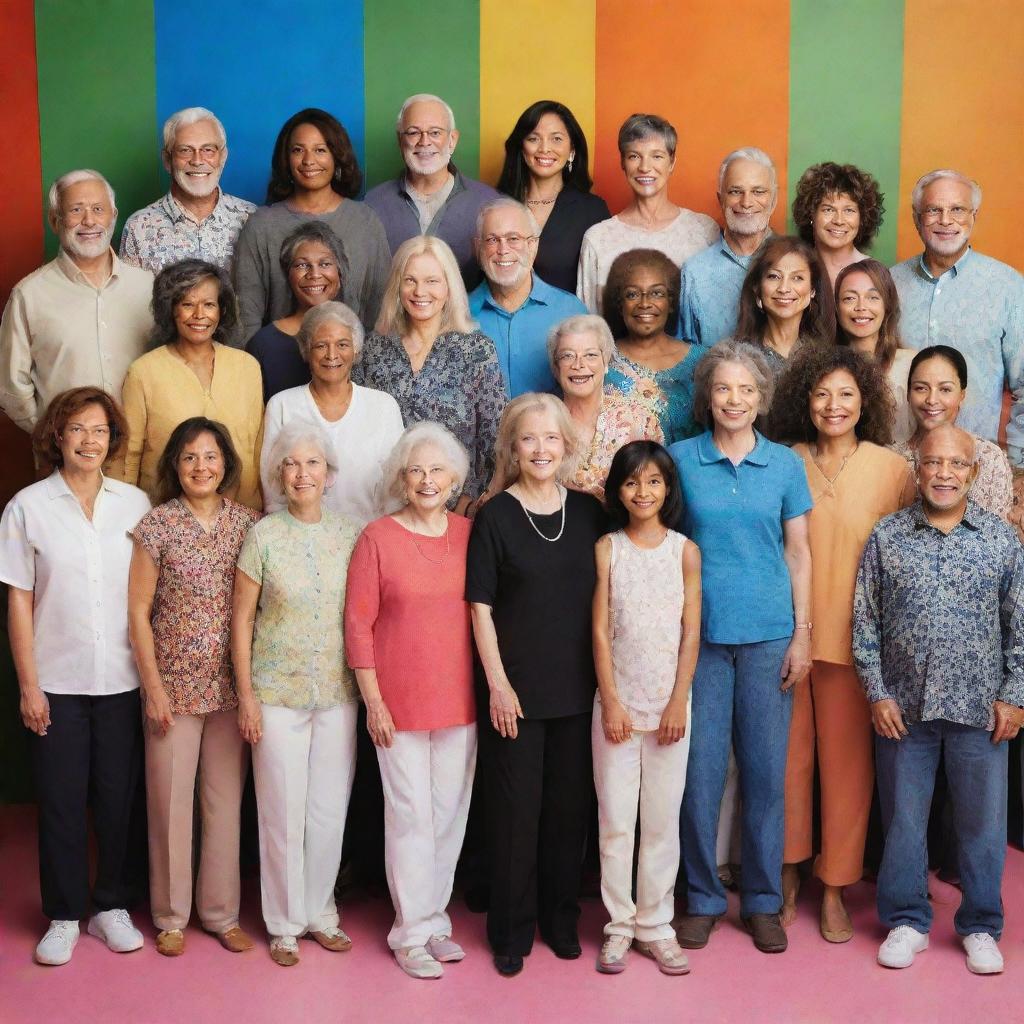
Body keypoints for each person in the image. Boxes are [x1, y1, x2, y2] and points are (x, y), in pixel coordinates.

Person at [854, 424, 1024, 976]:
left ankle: (980, 925)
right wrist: (876, 692)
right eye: (933, 463)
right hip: (903, 711)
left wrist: (1015, 695)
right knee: (903, 820)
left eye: (956, 465)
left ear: (973, 474)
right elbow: (864, 622)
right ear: (917, 469)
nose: (944, 474)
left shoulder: (1001, 539)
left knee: (981, 823)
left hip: (981, 711)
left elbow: (1020, 625)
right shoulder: (887, 537)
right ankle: (907, 919)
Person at [670, 341, 812, 955]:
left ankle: (761, 902)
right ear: (708, 397)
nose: (734, 400)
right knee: (698, 775)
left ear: (762, 399)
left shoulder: (783, 466)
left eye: (746, 390)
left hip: (768, 638)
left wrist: (802, 633)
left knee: (763, 775)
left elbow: (799, 553)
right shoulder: (679, 460)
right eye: (723, 389)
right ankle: (700, 898)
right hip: (697, 641)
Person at [0, 387, 151, 965]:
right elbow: (18, 601)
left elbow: (150, 595)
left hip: (122, 676)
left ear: (113, 441)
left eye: (101, 430)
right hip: (56, 679)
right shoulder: (27, 507)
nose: (90, 440)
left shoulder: (135, 504)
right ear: (57, 437)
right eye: (78, 429)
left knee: (118, 797)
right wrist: (28, 684)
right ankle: (64, 914)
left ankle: (110, 905)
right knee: (62, 800)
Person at [769, 346, 914, 942]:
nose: (833, 405)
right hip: (785, 640)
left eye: (847, 395)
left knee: (848, 773)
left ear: (866, 403)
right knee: (785, 766)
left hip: (859, 649)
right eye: (822, 394)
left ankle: (835, 885)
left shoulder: (892, 469)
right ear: (805, 399)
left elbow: (906, 558)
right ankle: (786, 874)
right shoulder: (781, 461)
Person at [467, 393, 607, 976]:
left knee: (568, 814)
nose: (541, 449)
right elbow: (479, 607)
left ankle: (559, 920)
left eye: (552, 439)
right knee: (516, 815)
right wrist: (498, 685)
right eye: (529, 439)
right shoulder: (495, 515)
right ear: (513, 448)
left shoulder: (591, 513)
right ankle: (511, 929)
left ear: (567, 446)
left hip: (578, 691)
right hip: (515, 696)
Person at [345, 423, 476, 980]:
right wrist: (372, 701)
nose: (427, 480)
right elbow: (357, 625)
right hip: (396, 702)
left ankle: (434, 919)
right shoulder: (377, 537)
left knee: (449, 814)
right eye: (416, 470)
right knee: (409, 816)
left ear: (455, 478)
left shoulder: (472, 534)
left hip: (460, 698)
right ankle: (410, 932)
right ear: (402, 477)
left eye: (437, 470)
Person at [127, 417, 259, 957]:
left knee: (224, 805)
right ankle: (170, 915)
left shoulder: (250, 525)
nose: (201, 467)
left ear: (226, 462)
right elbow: (137, 612)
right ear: (174, 467)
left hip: (231, 690)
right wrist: (153, 688)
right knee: (169, 803)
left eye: (210, 456)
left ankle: (221, 913)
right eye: (188, 458)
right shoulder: (155, 527)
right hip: (172, 689)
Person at [232, 422, 361, 967]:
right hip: (275, 692)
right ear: (279, 476)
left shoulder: (353, 535)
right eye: (291, 465)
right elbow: (240, 623)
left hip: (338, 691)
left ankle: (321, 913)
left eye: (313, 464)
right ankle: (283, 924)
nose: (302, 474)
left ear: (329, 476)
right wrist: (246, 697)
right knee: (281, 810)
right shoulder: (263, 535)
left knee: (329, 810)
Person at [592, 440, 700, 976]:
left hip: (669, 709)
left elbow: (691, 631)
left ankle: (656, 924)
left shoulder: (684, 550)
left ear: (667, 489)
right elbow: (599, 629)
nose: (643, 491)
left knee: (661, 822)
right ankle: (619, 925)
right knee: (616, 821)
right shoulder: (608, 547)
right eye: (632, 481)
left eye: (653, 481)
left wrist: (678, 699)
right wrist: (610, 700)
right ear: (618, 489)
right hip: (617, 706)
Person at [356, 236, 506, 510]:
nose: (419, 291)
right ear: (397, 287)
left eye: (432, 281)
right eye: (410, 280)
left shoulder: (477, 349)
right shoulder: (373, 348)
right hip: (382, 507)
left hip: (455, 510)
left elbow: (494, 437)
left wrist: (470, 503)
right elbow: (357, 429)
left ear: (449, 288)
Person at [890, 170, 1024, 467]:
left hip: (979, 466)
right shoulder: (889, 284)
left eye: (957, 210)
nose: (945, 220)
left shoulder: (1008, 287)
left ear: (973, 216)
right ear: (916, 218)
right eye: (933, 210)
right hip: (899, 465)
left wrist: (1019, 467)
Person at [0, 170, 153, 431]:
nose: (89, 221)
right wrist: (50, 436)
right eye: (76, 210)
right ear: (55, 220)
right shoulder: (29, 295)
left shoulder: (147, 286)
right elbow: (11, 385)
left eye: (98, 209)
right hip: (65, 457)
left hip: (138, 452)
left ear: (113, 217)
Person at [116, 260, 263, 510]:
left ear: (222, 309)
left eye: (209, 305)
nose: (199, 315)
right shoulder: (143, 372)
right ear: (170, 310)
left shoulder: (247, 367)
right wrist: (123, 517)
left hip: (241, 516)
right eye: (187, 304)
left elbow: (258, 447)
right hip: (166, 520)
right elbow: (127, 458)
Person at [234, 108, 390, 338]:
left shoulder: (365, 221)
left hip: (353, 366)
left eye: (320, 150)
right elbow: (246, 317)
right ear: (286, 159)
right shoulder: (261, 226)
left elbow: (381, 309)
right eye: (298, 150)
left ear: (337, 156)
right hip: (278, 366)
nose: (309, 160)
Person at [261, 302, 404, 524]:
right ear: (306, 350)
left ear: (356, 349)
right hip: (300, 541)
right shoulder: (282, 405)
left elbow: (397, 488)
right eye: (321, 345)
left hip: (369, 539)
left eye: (342, 344)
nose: (332, 354)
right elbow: (272, 490)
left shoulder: (384, 407)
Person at [577, 114, 718, 314]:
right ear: (623, 163)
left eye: (657, 156)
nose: (645, 167)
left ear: (672, 162)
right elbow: (589, 324)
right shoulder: (598, 239)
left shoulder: (704, 230)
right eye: (634, 156)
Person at [365, 94, 498, 292]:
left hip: (468, 322)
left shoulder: (490, 203)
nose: (424, 142)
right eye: (413, 133)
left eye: (435, 132)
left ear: (452, 140)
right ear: (400, 141)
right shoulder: (373, 203)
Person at [469, 198, 586, 396]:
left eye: (513, 238)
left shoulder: (570, 311)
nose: (503, 250)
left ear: (533, 246)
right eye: (492, 240)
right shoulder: (458, 313)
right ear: (478, 248)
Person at [119, 107, 256, 276]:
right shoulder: (139, 227)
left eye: (208, 150)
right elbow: (130, 299)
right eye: (185, 150)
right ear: (167, 160)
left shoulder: (251, 218)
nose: (197, 161)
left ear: (223, 157)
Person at [496, 100, 610, 293]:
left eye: (556, 139)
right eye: (534, 138)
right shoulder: (495, 206)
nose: (544, 149)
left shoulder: (593, 211)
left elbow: (603, 288)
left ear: (572, 150)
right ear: (522, 148)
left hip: (569, 321)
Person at [893, 346, 1014, 522]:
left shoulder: (988, 458)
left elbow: (996, 538)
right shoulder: (891, 460)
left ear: (962, 395)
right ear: (908, 395)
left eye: (945, 389)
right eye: (921, 388)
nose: (932, 400)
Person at [549, 314, 661, 499]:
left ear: (606, 361)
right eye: (567, 356)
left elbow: (657, 491)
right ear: (556, 366)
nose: (579, 365)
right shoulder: (541, 422)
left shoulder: (639, 420)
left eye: (590, 355)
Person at [602, 249, 706, 444]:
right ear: (620, 304)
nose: (645, 303)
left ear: (671, 302)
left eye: (656, 293)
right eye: (632, 294)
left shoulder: (703, 362)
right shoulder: (601, 362)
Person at [679, 147, 777, 347]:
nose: (746, 202)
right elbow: (683, 357)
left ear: (773, 200)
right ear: (720, 199)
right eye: (735, 191)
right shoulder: (695, 274)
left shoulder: (798, 264)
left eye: (758, 192)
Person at [245, 221, 347, 401]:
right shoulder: (263, 344)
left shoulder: (356, 336)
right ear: (287, 275)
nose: (314, 274)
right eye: (301, 265)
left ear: (339, 273)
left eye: (324, 264)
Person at [732, 236, 835, 385]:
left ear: (812, 289)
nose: (784, 288)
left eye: (797, 278)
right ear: (757, 288)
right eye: (774, 276)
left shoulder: (826, 357)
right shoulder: (738, 357)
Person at [835, 259, 915, 443]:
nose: (861, 307)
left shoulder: (911, 365)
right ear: (837, 308)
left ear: (887, 305)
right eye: (849, 298)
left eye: (873, 297)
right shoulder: (828, 366)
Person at [792, 162, 884, 285]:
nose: (839, 221)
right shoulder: (792, 269)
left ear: (862, 218)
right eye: (828, 209)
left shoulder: (875, 275)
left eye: (849, 210)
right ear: (811, 213)